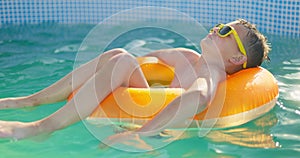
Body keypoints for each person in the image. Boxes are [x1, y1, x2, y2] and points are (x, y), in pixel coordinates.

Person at [0, 19, 270, 145]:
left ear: (236, 57)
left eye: (226, 31)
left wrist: (140, 132)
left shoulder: (212, 74)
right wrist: (115, 74)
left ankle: (41, 127)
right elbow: (145, 61)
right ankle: (30, 100)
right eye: (219, 25)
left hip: (155, 127)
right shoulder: (187, 57)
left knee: (122, 61)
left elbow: (199, 98)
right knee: (119, 56)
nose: (215, 29)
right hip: (144, 103)